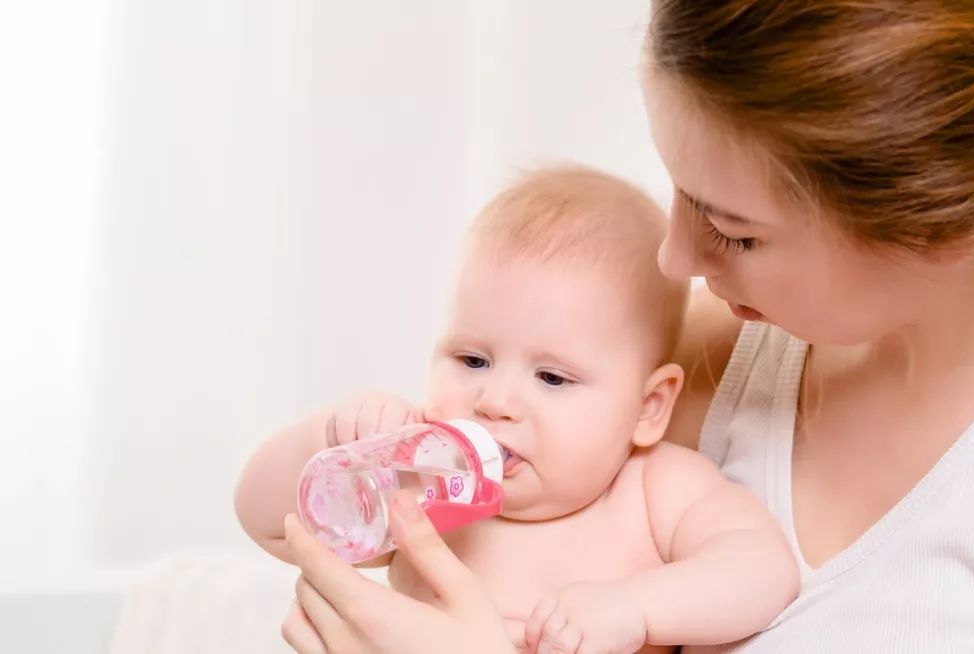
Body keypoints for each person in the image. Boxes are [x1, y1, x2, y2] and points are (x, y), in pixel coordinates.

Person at [277, 1, 974, 652]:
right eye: (679, 191)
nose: (674, 258)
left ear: (936, 229)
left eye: (733, 231)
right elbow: (306, 510)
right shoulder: (688, 356)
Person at [235, 166, 800, 653]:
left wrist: (636, 607)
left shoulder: (655, 490)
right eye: (473, 360)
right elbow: (268, 520)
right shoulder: (427, 481)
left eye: (552, 377)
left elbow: (763, 571)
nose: (495, 401)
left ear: (648, 408)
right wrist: (332, 441)